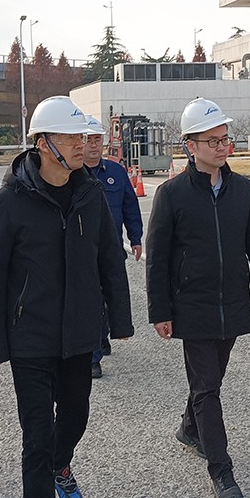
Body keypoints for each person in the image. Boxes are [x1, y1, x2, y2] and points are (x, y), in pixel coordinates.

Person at [0, 96, 133, 498]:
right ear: (43, 144)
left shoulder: (90, 194)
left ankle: (60, 465)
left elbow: (109, 259)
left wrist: (119, 320)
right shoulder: (8, 202)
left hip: (79, 330)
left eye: (83, 136)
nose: (82, 144)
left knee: (76, 414)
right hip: (30, 335)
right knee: (37, 431)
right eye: (70, 137)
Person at [146, 97, 250, 498]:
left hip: (233, 301)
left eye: (225, 139)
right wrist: (160, 311)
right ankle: (221, 470)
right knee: (207, 388)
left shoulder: (242, 189)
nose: (223, 147)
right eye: (213, 141)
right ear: (190, 146)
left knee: (211, 381)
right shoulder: (171, 194)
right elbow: (158, 258)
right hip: (192, 306)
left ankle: (190, 429)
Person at [81, 114, 143, 379]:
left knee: (109, 297)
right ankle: (93, 356)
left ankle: (102, 335)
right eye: (89, 140)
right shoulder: (71, 175)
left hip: (112, 249)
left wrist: (136, 238)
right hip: (84, 251)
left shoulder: (115, 172)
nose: (94, 145)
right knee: (91, 301)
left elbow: (130, 206)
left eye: (98, 139)